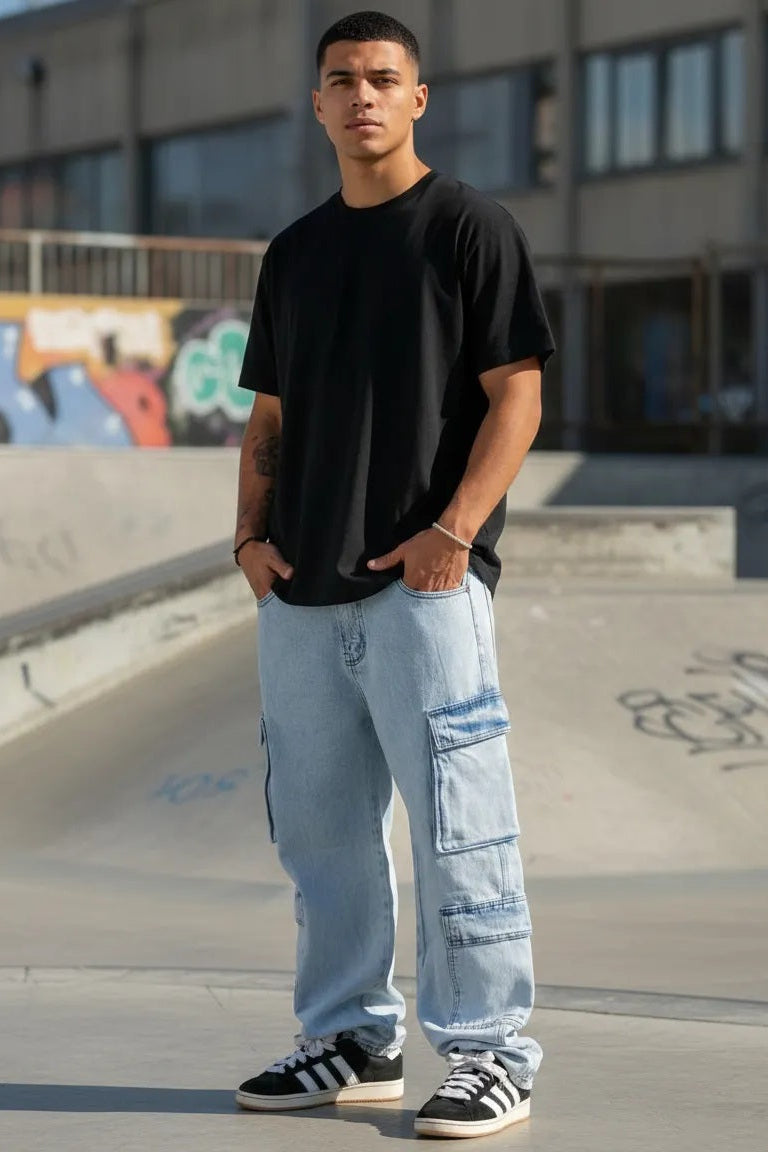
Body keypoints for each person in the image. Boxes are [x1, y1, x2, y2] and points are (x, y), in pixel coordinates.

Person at [232, 10, 554, 1140]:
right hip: (299, 595)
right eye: (342, 79)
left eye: (382, 78)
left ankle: (491, 1051)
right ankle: (351, 1039)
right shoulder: (294, 253)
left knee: (461, 828)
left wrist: (453, 532)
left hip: (425, 592)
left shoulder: (469, 228)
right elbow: (270, 417)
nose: (361, 95)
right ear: (318, 104)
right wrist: (249, 543)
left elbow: (519, 394)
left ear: (418, 99)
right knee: (320, 836)